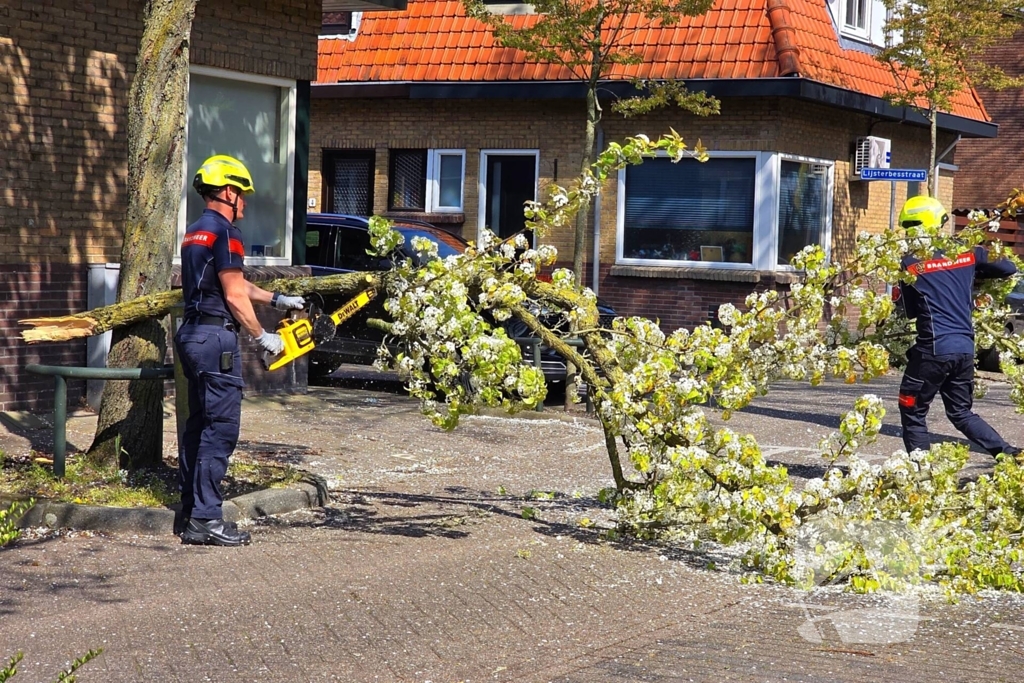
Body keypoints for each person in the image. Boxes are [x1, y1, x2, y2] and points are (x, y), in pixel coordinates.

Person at [174, 154, 305, 546]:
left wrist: (277, 298)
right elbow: (232, 294)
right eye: (242, 194)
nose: (245, 203)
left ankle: (191, 512)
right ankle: (207, 519)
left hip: (192, 335)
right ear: (228, 191)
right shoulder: (227, 233)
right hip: (216, 340)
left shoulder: (196, 231)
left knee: (197, 427)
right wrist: (262, 336)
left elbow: (234, 282)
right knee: (221, 430)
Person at [895, 195, 1020, 458]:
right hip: (964, 347)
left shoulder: (909, 264)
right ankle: (1010, 454)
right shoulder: (965, 251)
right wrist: (974, 274)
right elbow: (1008, 268)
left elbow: (907, 312)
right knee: (961, 412)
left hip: (934, 348)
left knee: (913, 410)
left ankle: (919, 474)